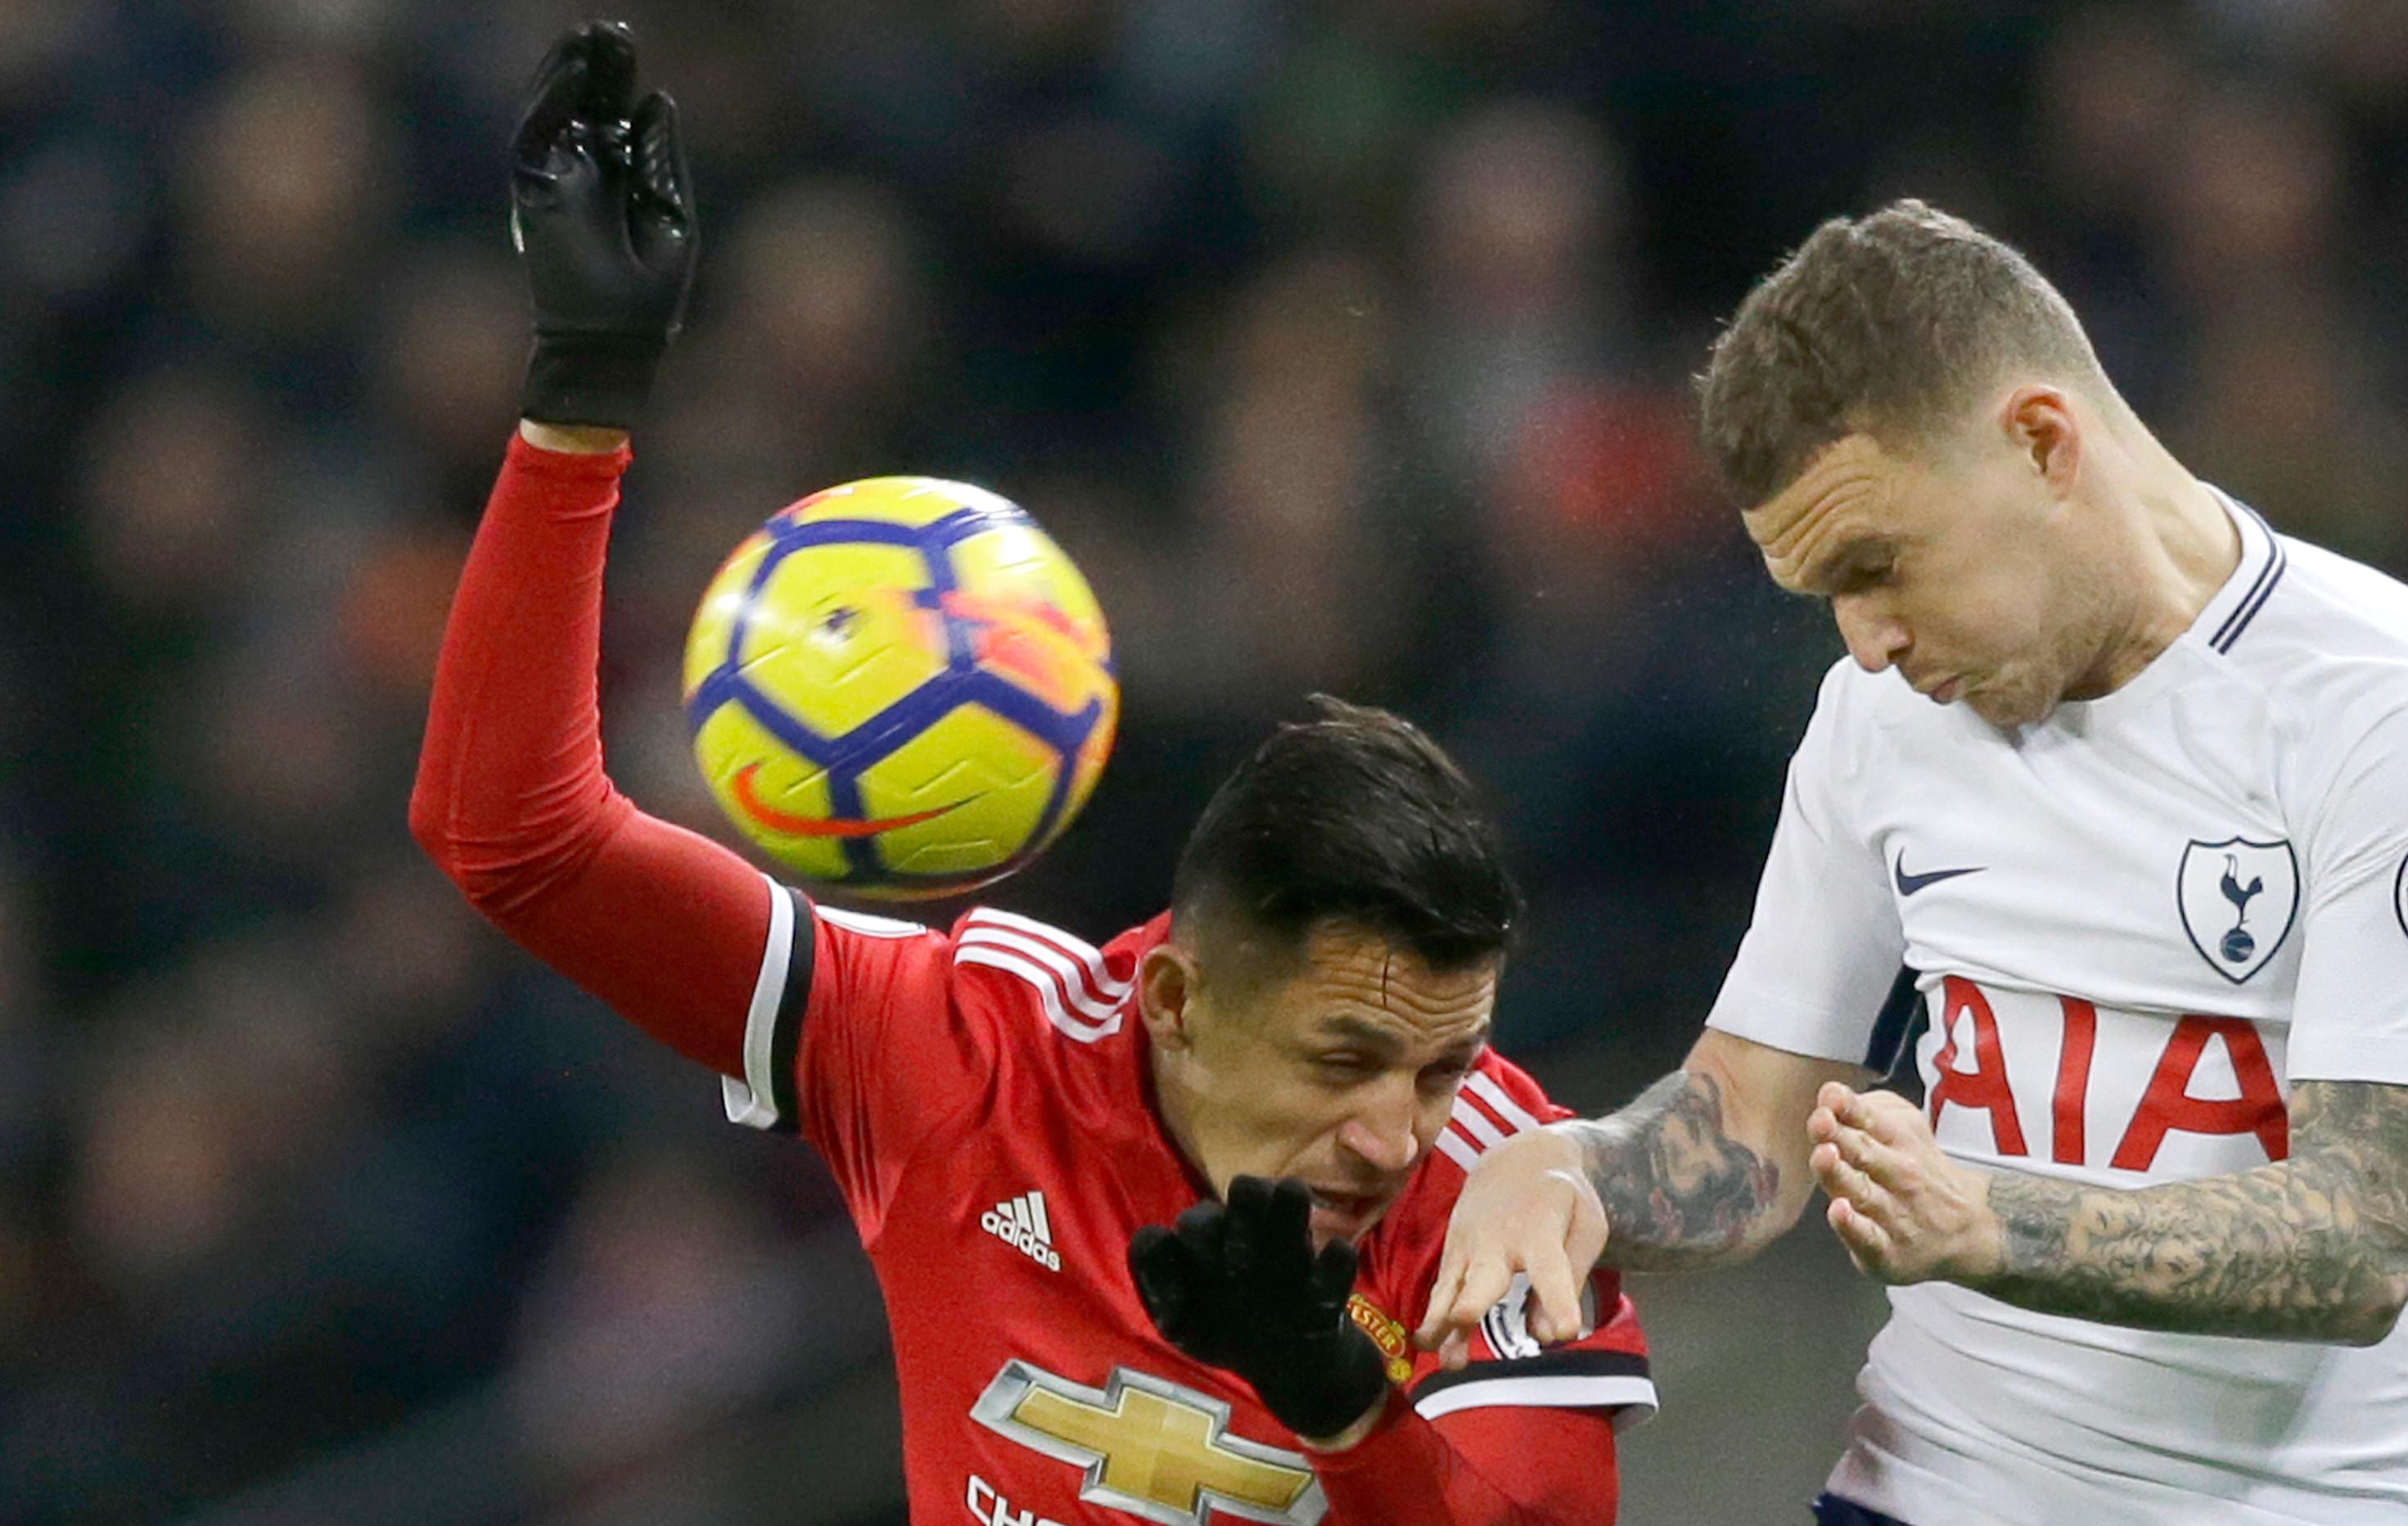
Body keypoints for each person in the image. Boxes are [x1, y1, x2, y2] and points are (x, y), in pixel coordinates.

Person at [410, 25, 1651, 1526]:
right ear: (1179, 1000)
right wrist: (581, 400)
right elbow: (513, 839)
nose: (1397, 1132)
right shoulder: (958, 1056)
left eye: (1443, 1064)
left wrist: (1336, 1403)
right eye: (1341, 1061)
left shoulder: (1506, 1203)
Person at [1419, 200, 2408, 1525]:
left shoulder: (2399, 712)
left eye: (1879, 564)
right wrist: (1577, 1173)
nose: (1866, 642)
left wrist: (1991, 1220)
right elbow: (1750, 1123)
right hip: (1920, 1493)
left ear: (2041, 442)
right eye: (1825, 592)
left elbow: (2364, 1237)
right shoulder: (1882, 722)